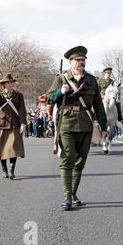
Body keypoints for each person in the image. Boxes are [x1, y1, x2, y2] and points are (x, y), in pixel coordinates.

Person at [45, 45, 108, 210]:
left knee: (80, 162)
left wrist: (103, 125)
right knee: (67, 159)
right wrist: (60, 91)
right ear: (70, 62)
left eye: (83, 60)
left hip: (86, 125)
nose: (81, 63)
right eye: (78, 60)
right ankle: (67, 196)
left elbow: (98, 105)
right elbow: (49, 98)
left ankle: (73, 193)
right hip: (67, 124)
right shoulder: (62, 79)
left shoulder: (91, 80)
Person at [0, 74, 27, 179]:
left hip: (14, 125)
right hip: (1, 125)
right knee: (2, 149)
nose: (10, 84)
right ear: (3, 84)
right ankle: (4, 169)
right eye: (8, 82)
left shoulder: (19, 95)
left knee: (13, 148)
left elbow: (22, 110)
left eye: (12, 82)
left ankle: (11, 170)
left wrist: (23, 123)